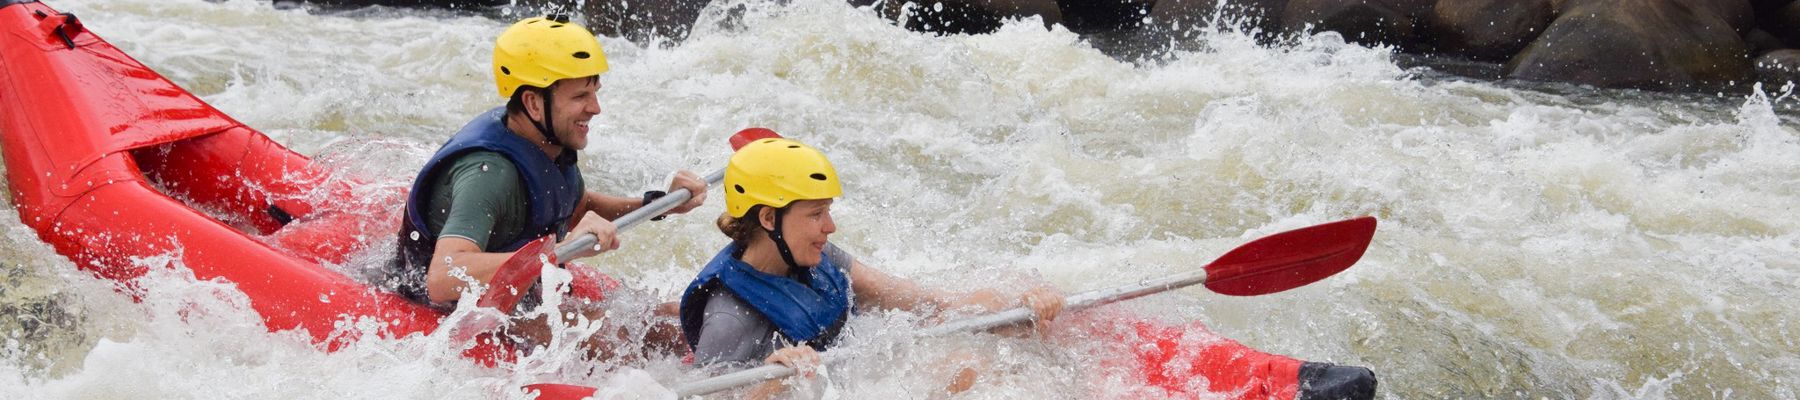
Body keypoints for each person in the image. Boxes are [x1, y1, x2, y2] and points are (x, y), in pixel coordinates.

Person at [390, 15, 702, 360]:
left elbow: (578, 205)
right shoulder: (489, 174)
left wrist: (659, 204)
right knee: (605, 340)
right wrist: (557, 252)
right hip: (449, 308)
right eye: (581, 96)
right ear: (534, 103)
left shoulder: (547, 142)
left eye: (595, 92)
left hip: (518, 294)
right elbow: (444, 277)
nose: (595, 109)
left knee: (671, 321)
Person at [678, 137, 1066, 397]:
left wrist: (1019, 307)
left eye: (828, 211)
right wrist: (770, 382)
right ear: (767, 218)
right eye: (816, 214)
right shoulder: (729, 319)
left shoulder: (818, 256)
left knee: (986, 354)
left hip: (860, 369)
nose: (830, 227)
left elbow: (930, 302)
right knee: (970, 371)